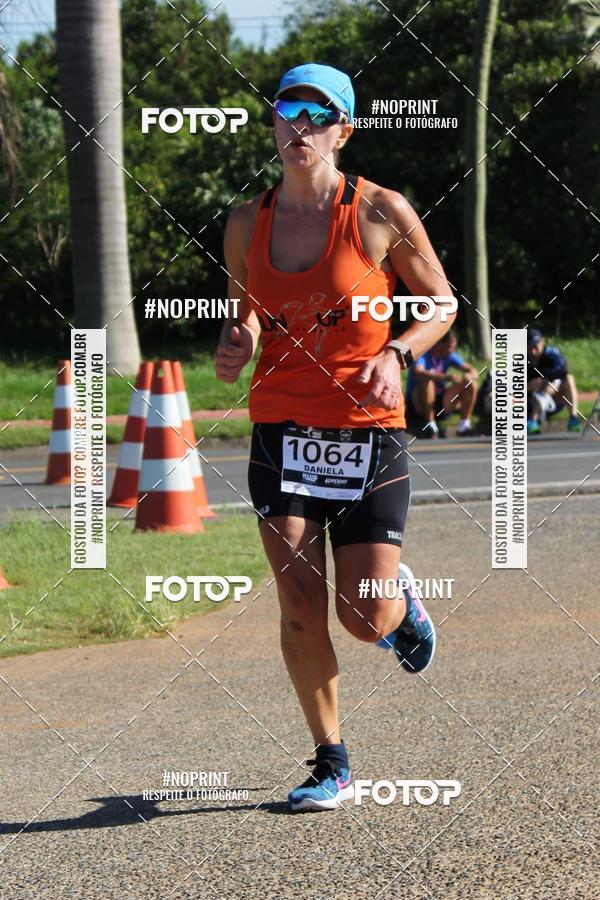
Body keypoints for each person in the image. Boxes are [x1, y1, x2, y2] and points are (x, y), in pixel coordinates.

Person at [215, 63, 456, 812]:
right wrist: (239, 338)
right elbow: (246, 307)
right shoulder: (245, 220)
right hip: (280, 425)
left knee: (363, 617)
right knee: (296, 600)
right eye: (289, 112)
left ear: (343, 131)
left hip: (367, 428)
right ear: (274, 123)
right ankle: (331, 761)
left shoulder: (382, 212)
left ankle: (401, 603)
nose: (300, 128)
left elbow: (443, 301)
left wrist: (399, 352)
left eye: (318, 117)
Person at [405, 330, 479, 437]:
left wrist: (471, 375)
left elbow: (472, 370)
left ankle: (464, 426)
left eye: (454, 347)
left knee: (470, 383)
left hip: (441, 402)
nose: (452, 350)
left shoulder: (450, 354)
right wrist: (447, 377)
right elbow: (418, 371)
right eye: (450, 347)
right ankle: (430, 426)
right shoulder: (423, 353)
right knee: (426, 381)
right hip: (418, 403)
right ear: (438, 344)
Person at [527, 327, 580, 434]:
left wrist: (543, 380)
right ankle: (532, 420)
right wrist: (528, 386)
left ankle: (573, 418)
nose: (533, 351)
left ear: (542, 342)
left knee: (568, 379)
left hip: (552, 400)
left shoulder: (552, 354)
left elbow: (563, 370)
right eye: (529, 347)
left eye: (535, 346)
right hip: (528, 402)